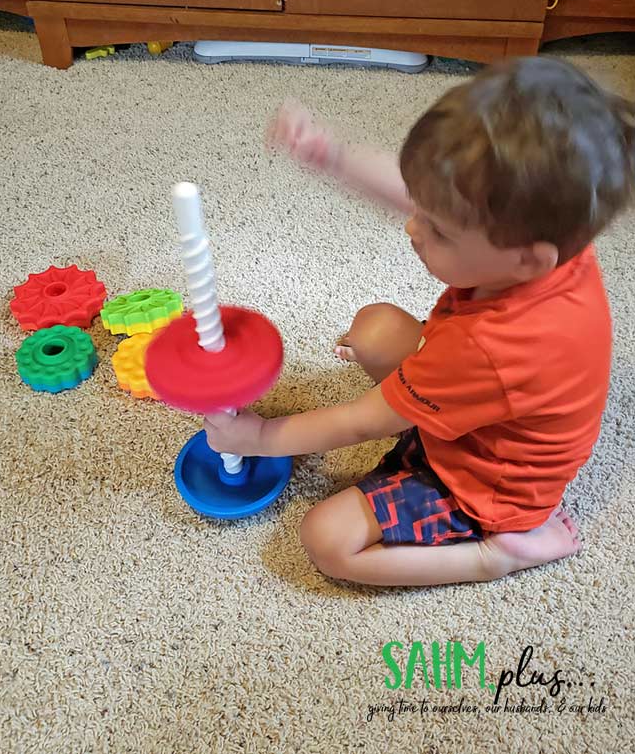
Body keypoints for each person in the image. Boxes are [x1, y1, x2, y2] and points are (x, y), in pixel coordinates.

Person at [205, 57, 635, 587]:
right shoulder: (552, 227)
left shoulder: (488, 347)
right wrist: (331, 156)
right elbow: (430, 197)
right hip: (488, 409)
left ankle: (498, 555)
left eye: (439, 231)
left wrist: (260, 436)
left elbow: (362, 423)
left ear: (528, 259)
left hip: (485, 483)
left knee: (326, 539)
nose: (412, 228)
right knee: (375, 329)